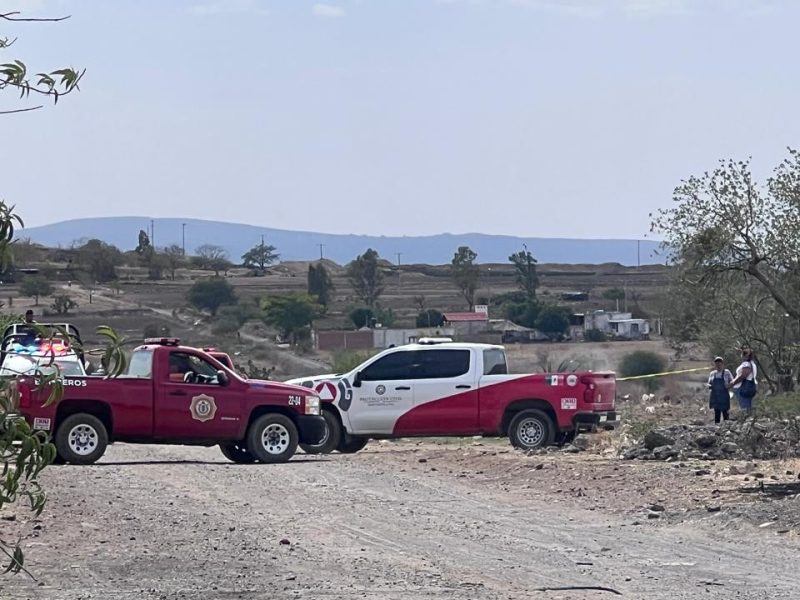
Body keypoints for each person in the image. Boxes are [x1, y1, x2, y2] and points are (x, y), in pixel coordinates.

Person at [729, 347, 758, 416]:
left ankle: (746, 419)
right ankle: (749, 418)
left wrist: (732, 383)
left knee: (744, 407)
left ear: (745, 355)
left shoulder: (746, 364)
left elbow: (743, 375)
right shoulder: (752, 364)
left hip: (743, 387)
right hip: (750, 386)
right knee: (748, 406)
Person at [708, 357, 733, 424]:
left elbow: (732, 381)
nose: (718, 365)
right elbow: (709, 383)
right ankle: (717, 426)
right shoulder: (712, 373)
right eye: (716, 364)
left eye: (719, 363)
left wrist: (729, 385)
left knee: (725, 412)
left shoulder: (727, 372)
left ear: (722, 364)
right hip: (715, 396)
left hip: (724, 395)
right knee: (717, 412)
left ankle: (726, 427)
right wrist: (709, 386)